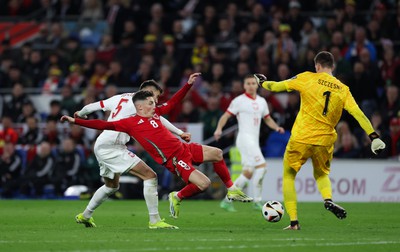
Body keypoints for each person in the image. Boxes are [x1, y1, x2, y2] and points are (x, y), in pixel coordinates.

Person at [61, 91, 253, 220]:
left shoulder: (153, 113)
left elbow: (173, 103)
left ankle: (232, 189)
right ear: (140, 105)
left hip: (183, 148)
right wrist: (76, 121)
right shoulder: (130, 122)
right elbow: (103, 125)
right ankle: (175, 197)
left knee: (218, 153)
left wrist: (188, 84)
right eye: (152, 101)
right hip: (174, 159)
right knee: (204, 184)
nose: (155, 104)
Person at [255, 51, 386, 230]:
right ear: (333, 67)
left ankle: (294, 222)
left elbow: (276, 87)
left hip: (301, 137)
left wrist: (263, 82)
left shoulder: (307, 77)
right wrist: (374, 136)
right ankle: (328, 199)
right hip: (325, 140)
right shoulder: (343, 89)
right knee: (322, 174)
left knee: (289, 175)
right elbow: (358, 114)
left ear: (317, 66)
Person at [71, 74, 202, 229]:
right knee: (150, 176)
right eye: (155, 96)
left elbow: (94, 106)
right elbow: (161, 114)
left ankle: (85, 216)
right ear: (146, 91)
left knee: (112, 186)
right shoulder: (140, 105)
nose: (156, 102)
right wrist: (179, 132)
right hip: (112, 146)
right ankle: (154, 220)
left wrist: (80, 113)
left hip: (102, 144)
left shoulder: (120, 97)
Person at [214, 74, 285, 212]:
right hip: (245, 139)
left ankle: (227, 201)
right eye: (248, 83)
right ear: (244, 86)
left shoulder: (262, 102)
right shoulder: (239, 101)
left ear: (257, 85)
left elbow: (267, 118)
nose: (251, 86)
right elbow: (226, 115)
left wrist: (277, 127)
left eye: (253, 83)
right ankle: (257, 201)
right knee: (262, 167)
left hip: (253, 140)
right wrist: (219, 129)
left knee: (248, 173)